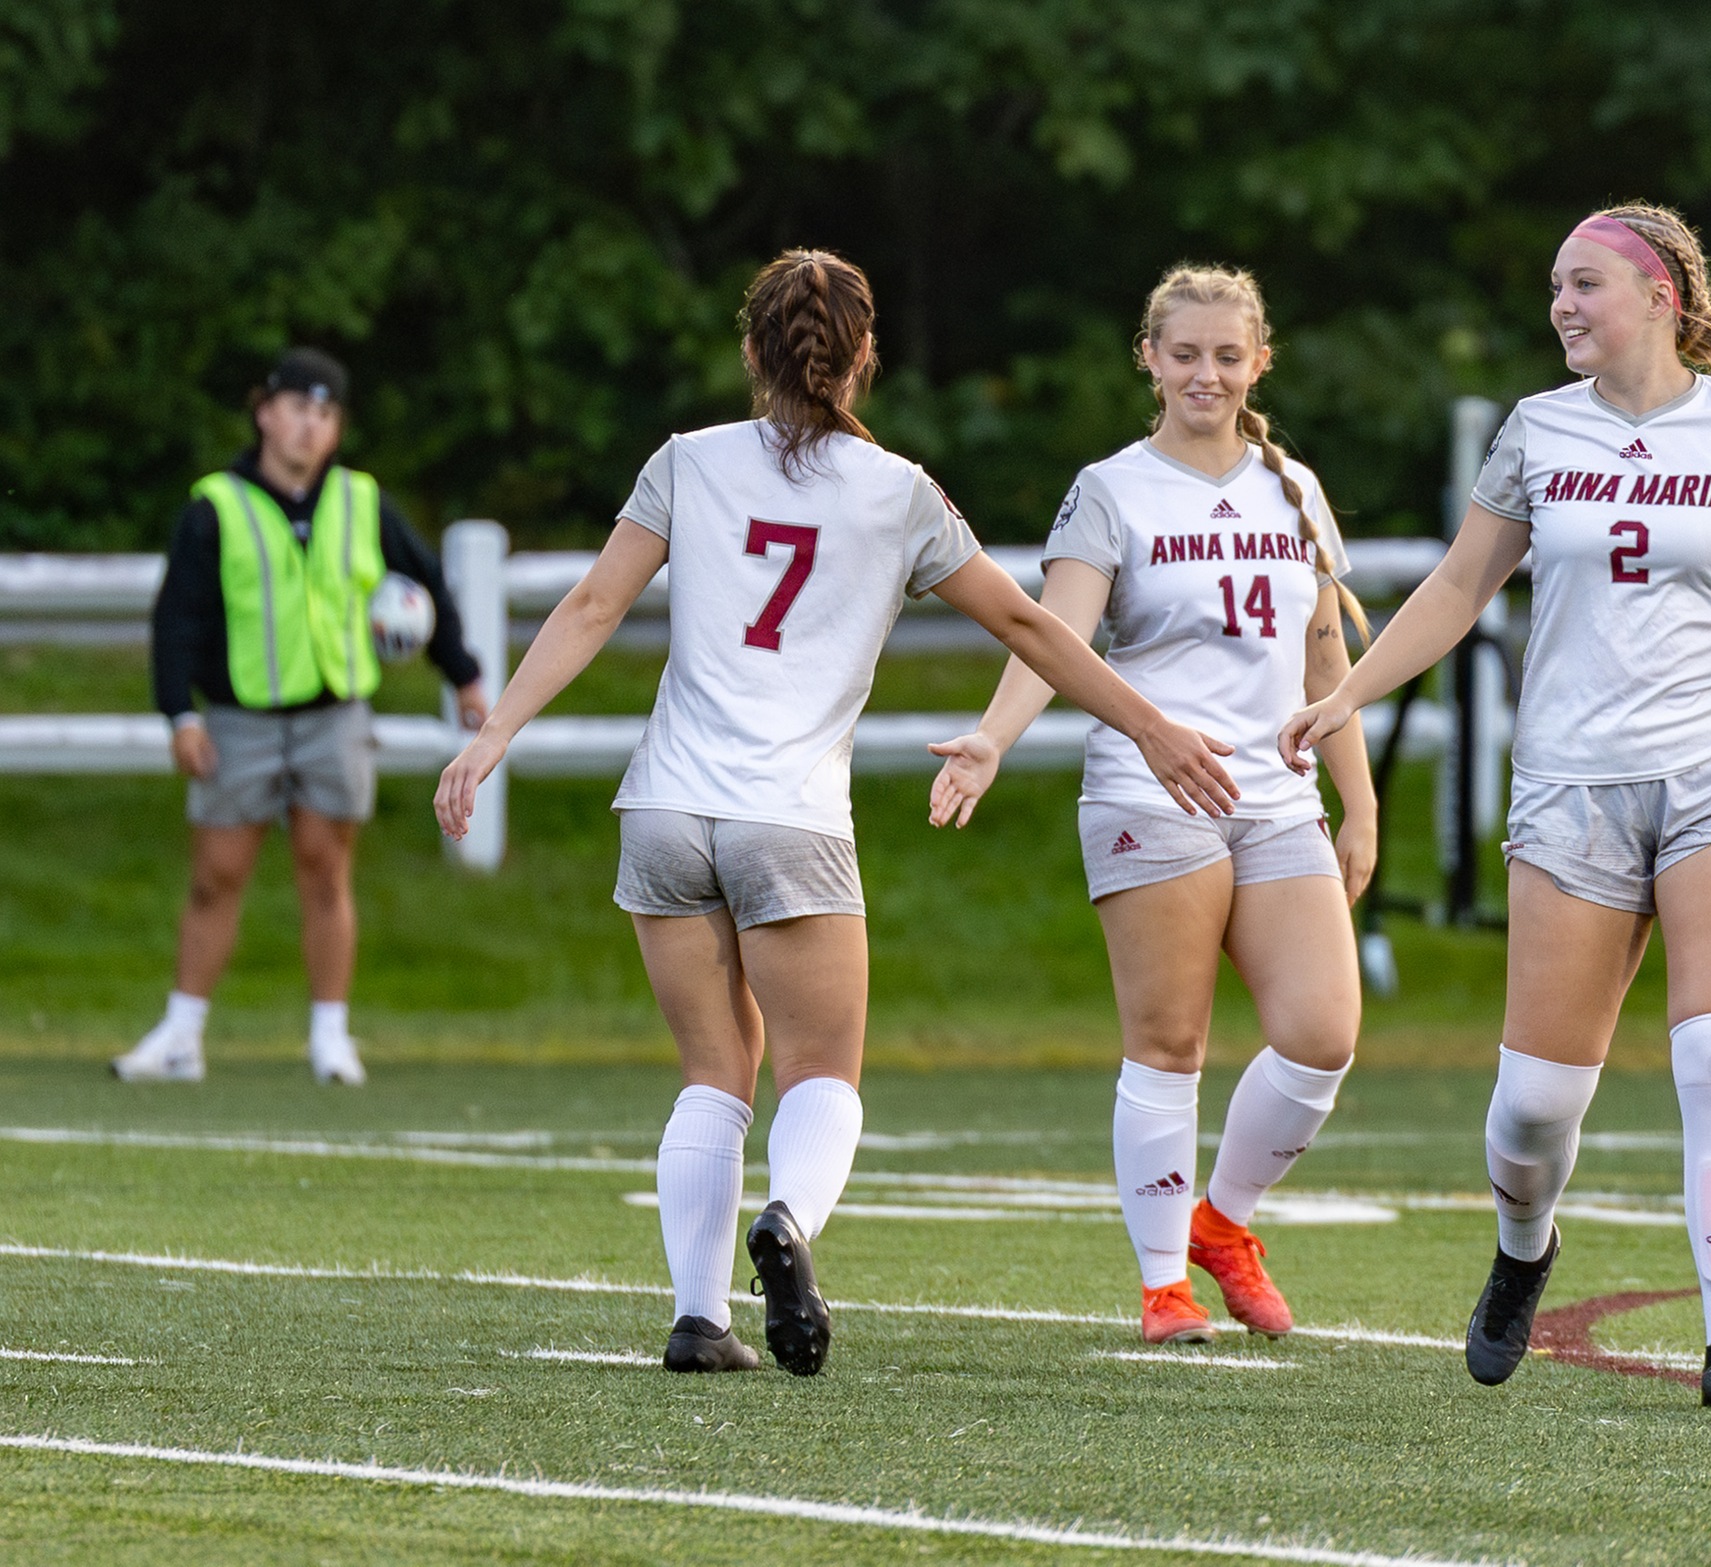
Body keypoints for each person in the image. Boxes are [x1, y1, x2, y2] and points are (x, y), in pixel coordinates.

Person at [434, 249, 1239, 1377]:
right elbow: (1027, 626)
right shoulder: (898, 490)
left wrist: (493, 733)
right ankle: (791, 1223)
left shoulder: (687, 461)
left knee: (712, 1071)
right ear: (863, 357)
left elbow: (590, 604)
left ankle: (697, 1317)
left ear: (749, 349)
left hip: (664, 807)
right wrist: (1150, 725)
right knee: (821, 1073)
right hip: (788, 819)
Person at [1281, 205, 1711, 1407]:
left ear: (1660, 297)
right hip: (1572, 780)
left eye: (1583, 284)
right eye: (1554, 288)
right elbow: (1460, 583)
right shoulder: (1535, 430)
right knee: (1533, 1108)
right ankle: (1525, 1248)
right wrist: (1343, 698)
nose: (1561, 306)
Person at [927, 265, 1379, 1346]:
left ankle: (1225, 1222)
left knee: (1322, 1033)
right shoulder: (1110, 488)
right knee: (1169, 1040)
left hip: (1277, 795)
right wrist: (993, 735)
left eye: (1227, 356)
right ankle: (1164, 1286)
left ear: (1257, 362)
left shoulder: (1294, 487)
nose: (1205, 375)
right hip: (1152, 782)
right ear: (1149, 358)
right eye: (1184, 354)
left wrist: (1355, 800)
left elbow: (1327, 654)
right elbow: (1055, 637)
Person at [117, 348, 488, 1087]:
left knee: (326, 871)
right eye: (296, 408)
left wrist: (464, 672)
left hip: (334, 715)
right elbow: (176, 618)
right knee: (215, 875)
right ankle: (183, 1032)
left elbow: (428, 581)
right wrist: (178, 716)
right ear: (264, 413)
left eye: (324, 413)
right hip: (239, 715)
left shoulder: (359, 500)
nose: (308, 426)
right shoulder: (215, 505)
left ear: (337, 425)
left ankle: (329, 1037)